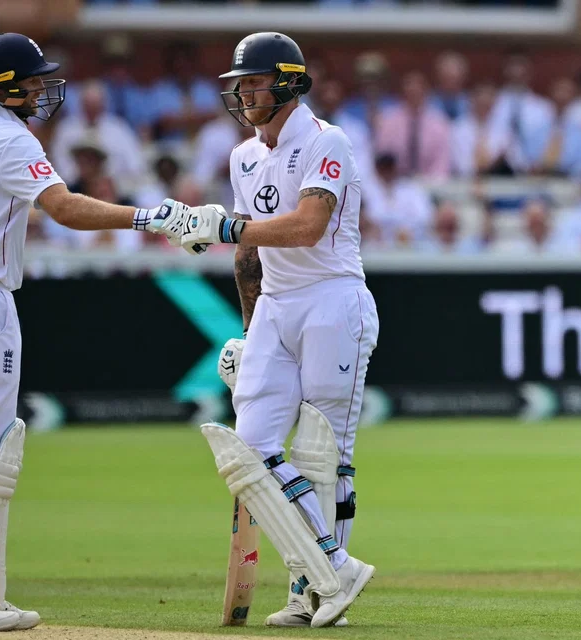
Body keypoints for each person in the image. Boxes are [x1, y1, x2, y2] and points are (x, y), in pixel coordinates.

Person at [0, 32, 195, 634]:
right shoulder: (10, 139)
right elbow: (63, 208)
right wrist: (148, 215)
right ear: (4, 88)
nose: (41, 89)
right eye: (31, 81)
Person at [172, 32, 378, 628]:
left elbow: (308, 226)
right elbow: (248, 257)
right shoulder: (243, 157)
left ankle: (310, 594)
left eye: (254, 82)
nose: (243, 93)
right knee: (250, 454)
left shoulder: (324, 140)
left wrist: (229, 228)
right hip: (275, 307)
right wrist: (245, 331)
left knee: (324, 454)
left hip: (333, 300)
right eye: (239, 84)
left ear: (287, 83)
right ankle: (332, 568)